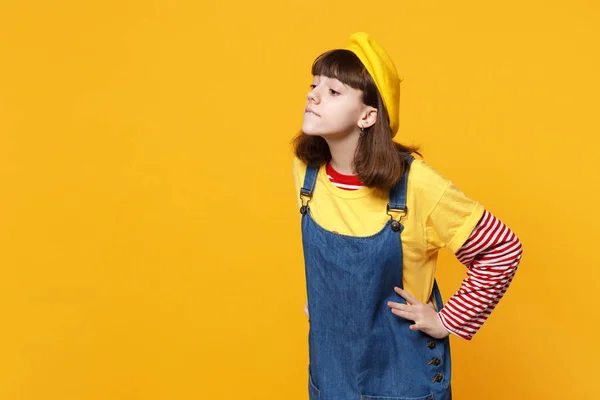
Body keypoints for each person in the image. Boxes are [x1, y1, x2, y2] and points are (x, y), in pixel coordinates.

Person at [292, 32, 523, 400]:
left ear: (369, 115)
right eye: (314, 85)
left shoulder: (417, 185)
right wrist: (325, 298)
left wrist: (449, 320)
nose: (313, 95)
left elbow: (502, 248)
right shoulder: (307, 174)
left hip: (403, 382)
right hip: (331, 377)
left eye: (333, 92)